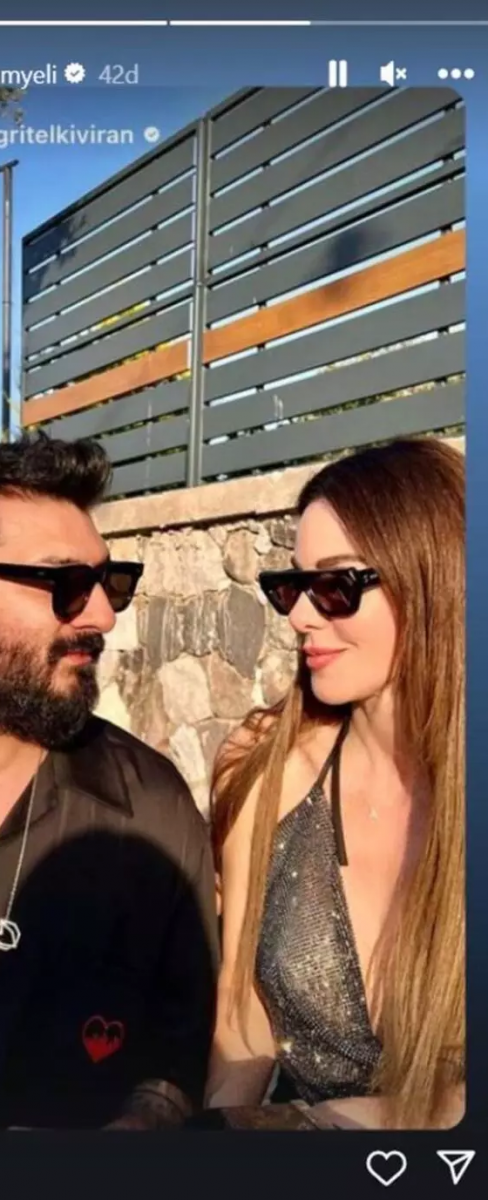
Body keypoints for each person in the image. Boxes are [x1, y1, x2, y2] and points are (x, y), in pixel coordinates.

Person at [0, 431, 218, 1131]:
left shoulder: (146, 812)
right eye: (63, 584)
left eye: (110, 582)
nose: (103, 616)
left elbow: (180, 1046)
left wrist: (136, 1127)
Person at [207, 437, 465, 1131]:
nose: (299, 615)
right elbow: (241, 1021)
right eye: (292, 586)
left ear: (434, 581)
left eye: (336, 585)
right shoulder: (265, 772)